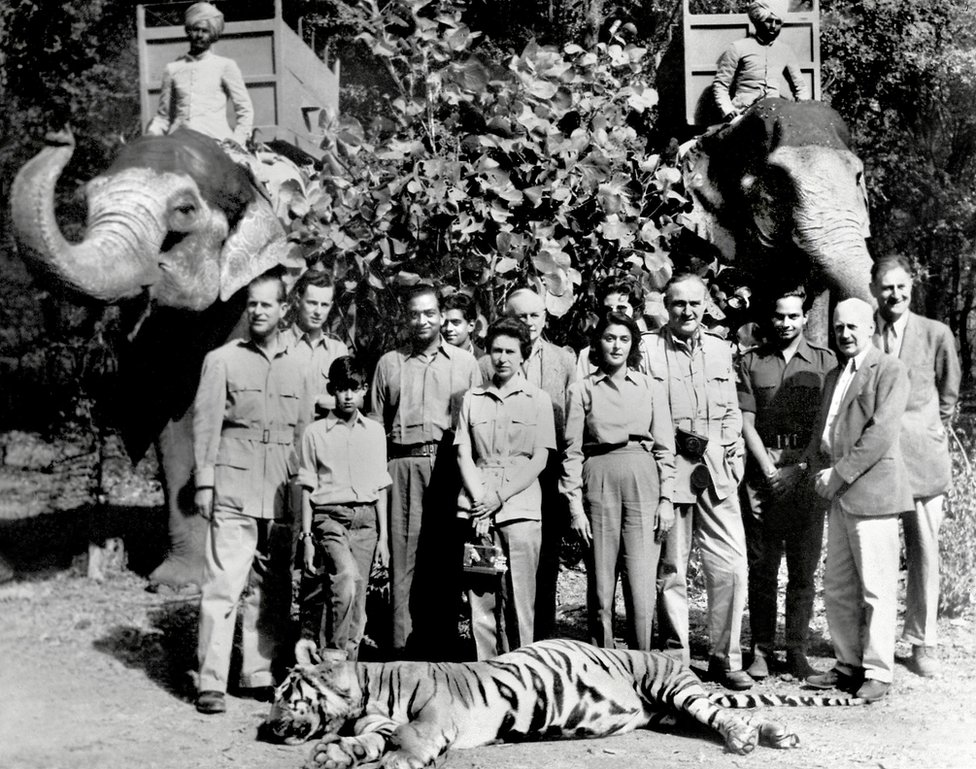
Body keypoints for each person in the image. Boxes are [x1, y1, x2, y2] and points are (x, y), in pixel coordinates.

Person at [192, 271, 312, 714]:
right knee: (223, 585)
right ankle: (210, 682)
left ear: (284, 309)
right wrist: (204, 481)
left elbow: (304, 435)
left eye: (267, 304)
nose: (258, 311)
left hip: (280, 490)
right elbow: (205, 425)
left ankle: (257, 672)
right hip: (233, 486)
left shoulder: (300, 366)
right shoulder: (221, 360)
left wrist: (302, 493)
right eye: (252, 304)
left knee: (272, 587)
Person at [645, 273, 752, 690]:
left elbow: (730, 410)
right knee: (672, 567)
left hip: (718, 470)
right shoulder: (648, 349)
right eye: (678, 304)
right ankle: (676, 660)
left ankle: (726, 658)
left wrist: (735, 451)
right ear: (665, 307)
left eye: (694, 303)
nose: (686, 311)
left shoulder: (720, 348)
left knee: (731, 566)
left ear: (705, 304)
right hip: (671, 469)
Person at [803, 298, 913, 701]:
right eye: (838, 328)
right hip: (837, 493)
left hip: (873, 493)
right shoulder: (834, 375)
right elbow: (825, 429)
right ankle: (847, 665)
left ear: (870, 328)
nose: (845, 334)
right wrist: (816, 470)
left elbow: (880, 435)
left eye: (852, 327)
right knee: (837, 586)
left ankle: (879, 672)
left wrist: (839, 473)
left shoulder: (889, 370)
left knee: (877, 588)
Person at [369, 285, 482, 657]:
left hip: (449, 467)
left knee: (445, 561)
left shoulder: (465, 364)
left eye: (430, 314)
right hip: (402, 465)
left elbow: (479, 425)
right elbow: (373, 427)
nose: (423, 321)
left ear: (441, 315)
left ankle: (442, 650)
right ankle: (403, 652)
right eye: (415, 314)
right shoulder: (389, 363)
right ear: (406, 316)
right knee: (403, 561)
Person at [736, 287, 835, 680]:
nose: (786, 323)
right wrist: (769, 469)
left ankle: (796, 650)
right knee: (761, 568)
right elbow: (746, 420)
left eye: (793, 316)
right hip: (763, 473)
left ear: (805, 317)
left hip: (806, 473)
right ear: (770, 317)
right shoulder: (751, 361)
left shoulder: (826, 362)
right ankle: (760, 650)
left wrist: (799, 468)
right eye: (779, 316)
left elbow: (826, 422)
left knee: (802, 569)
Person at [562, 312, 676, 651]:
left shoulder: (651, 388)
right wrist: (574, 506)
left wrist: (666, 499)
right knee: (600, 585)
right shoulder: (580, 389)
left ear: (633, 345)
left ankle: (642, 664)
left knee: (641, 586)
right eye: (610, 338)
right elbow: (572, 451)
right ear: (598, 343)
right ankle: (603, 661)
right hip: (598, 479)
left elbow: (665, 448)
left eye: (624, 339)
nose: (616, 345)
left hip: (643, 480)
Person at [870, 256, 961, 678]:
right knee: (877, 553)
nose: (895, 294)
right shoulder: (861, 330)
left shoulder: (936, 333)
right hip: (876, 460)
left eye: (901, 286)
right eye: (887, 287)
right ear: (874, 288)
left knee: (924, 552)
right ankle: (875, 642)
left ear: (912, 287)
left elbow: (949, 392)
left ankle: (923, 642)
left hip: (924, 459)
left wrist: (933, 427)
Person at [480, 287, 577, 640]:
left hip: (547, 469)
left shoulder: (564, 361)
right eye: (520, 316)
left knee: (545, 559)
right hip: (500, 472)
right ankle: (500, 642)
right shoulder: (488, 361)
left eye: (536, 315)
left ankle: (542, 640)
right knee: (495, 561)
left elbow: (572, 421)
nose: (529, 322)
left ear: (546, 317)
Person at [455, 318, 555, 658]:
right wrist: (481, 501)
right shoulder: (472, 399)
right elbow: (464, 454)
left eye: (510, 351)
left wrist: (498, 497)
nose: (502, 358)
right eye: (496, 350)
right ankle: (487, 675)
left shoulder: (538, 399)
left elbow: (539, 459)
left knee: (520, 600)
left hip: (520, 512)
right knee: (482, 599)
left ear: (522, 355)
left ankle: (522, 671)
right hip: (479, 514)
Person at [296, 357, 391, 661]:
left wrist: (384, 539)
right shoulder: (315, 433)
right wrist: (307, 537)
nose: (348, 396)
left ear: (364, 390)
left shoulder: (375, 432)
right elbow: (308, 487)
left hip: (366, 523)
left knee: (357, 603)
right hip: (330, 519)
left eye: (354, 388)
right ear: (331, 391)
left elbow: (380, 488)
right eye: (341, 389)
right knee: (346, 580)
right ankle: (334, 655)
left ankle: (345, 674)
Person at [146, 2, 254, 146]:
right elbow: (163, 117)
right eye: (196, 30)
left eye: (205, 31)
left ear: (213, 35)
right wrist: (151, 135)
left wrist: (238, 139)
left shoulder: (225, 66)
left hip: (217, 141)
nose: (199, 35)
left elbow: (245, 109)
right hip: (178, 142)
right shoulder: (172, 69)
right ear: (188, 31)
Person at [712, 0, 809, 122]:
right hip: (743, 115)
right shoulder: (738, 47)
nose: (773, 26)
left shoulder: (785, 50)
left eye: (778, 22)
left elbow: (800, 87)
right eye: (769, 21)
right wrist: (728, 110)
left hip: (775, 113)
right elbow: (721, 85)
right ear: (758, 21)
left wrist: (804, 111)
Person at [282, 271, 349, 415]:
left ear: (330, 307)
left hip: (325, 433)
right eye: (312, 303)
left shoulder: (338, 350)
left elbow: (348, 400)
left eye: (324, 305)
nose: (318, 312)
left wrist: (316, 399)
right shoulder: (277, 344)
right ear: (298, 300)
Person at [575, 277, 654, 378]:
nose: (614, 314)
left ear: (634, 310)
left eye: (621, 309)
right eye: (607, 309)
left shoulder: (648, 349)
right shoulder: (587, 354)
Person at [441, 293, 484, 358]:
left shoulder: (485, 362)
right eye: (445, 323)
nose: (448, 328)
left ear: (471, 326)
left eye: (455, 322)